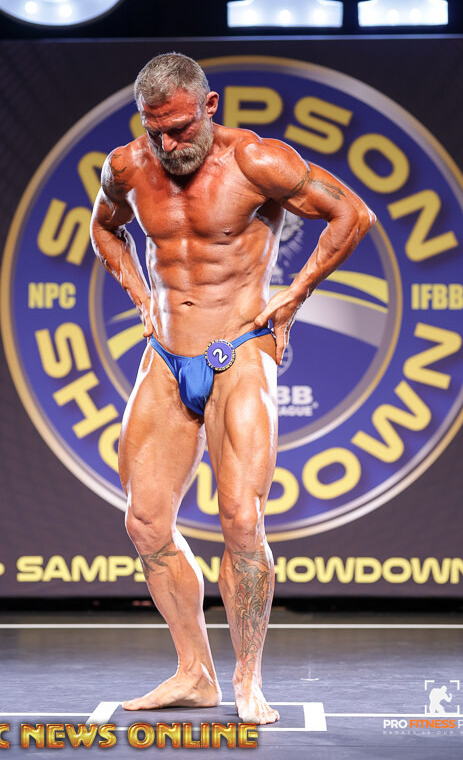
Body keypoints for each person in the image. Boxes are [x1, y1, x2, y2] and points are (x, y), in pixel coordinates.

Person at [90, 53, 375, 725]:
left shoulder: (256, 161)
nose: (169, 144)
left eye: (180, 128)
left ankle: (248, 678)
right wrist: (139, 293)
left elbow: (351, 215)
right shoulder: (127, 166)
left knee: (242, 520)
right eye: (156, 130)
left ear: (209, 107)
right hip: (166, 357)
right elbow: (105, 227)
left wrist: (293, 297)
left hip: (237, 352)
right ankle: (195, 672)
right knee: (145, 521)